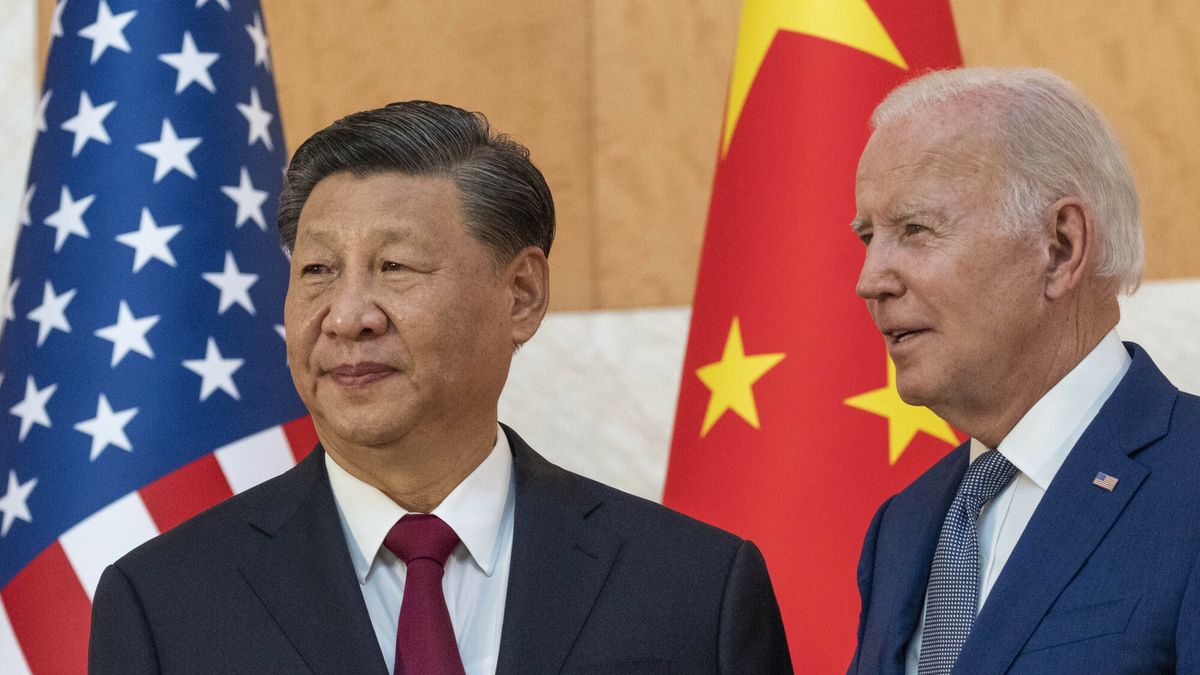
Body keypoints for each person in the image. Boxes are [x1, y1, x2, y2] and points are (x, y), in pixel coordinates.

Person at [88, 101, 792, 674]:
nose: (347, 316)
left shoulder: (695, 585)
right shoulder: (164, 603)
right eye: (317, 271)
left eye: (394, 265)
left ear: (520, 295)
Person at [847, 68, 1200, 673]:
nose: (870, 281)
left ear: (1060, 247)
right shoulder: (901, 527)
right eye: (868, 236)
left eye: (915, 230)